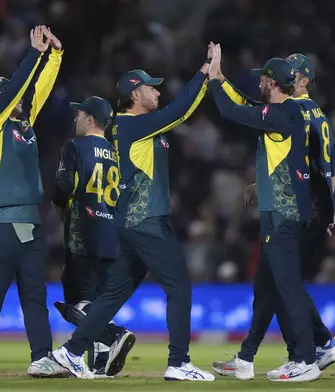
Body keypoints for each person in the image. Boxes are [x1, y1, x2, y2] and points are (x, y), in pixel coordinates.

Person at [50, 43, 216, 382]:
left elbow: (173, 119)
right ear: (133, 93)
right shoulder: (130, 125)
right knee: (179, 287)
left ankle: (71, 351)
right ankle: (178, 362)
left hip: (134, 223)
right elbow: (180, 112)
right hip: (145, 222)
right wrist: (205, 74)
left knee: (112, 295)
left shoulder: (138, 127)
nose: (157, 91)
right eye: (150, 87)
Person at [212, 53, 335, 380]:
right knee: (270, 284)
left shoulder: (291, 110)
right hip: (303, 205)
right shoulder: (313, 113)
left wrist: (216, 76)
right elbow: (308, 164)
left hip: (293, 210)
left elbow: (239, 110)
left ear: (301, 81)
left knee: (286, 285)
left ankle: (309, 353)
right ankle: (248, 357)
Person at [0, 25, 68, 379]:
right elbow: (19, 88)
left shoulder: (24, 125)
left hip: (31, 222)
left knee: (35, 294)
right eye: (13, 98)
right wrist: (34, 54)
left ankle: (41, 356)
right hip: (3, 222)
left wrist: (54, 54)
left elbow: (37, 89)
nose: (22, 102)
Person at [52, 96, 133, 377]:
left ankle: (113, 334)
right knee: (99, 301)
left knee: (78, 300)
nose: (75, 119)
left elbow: (62, 189)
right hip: (111, 236)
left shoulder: (74, 147)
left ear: (90, 120)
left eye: (79, 115)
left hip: (82, 233)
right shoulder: (116, 152)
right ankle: (100, 362)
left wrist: (60, 202)